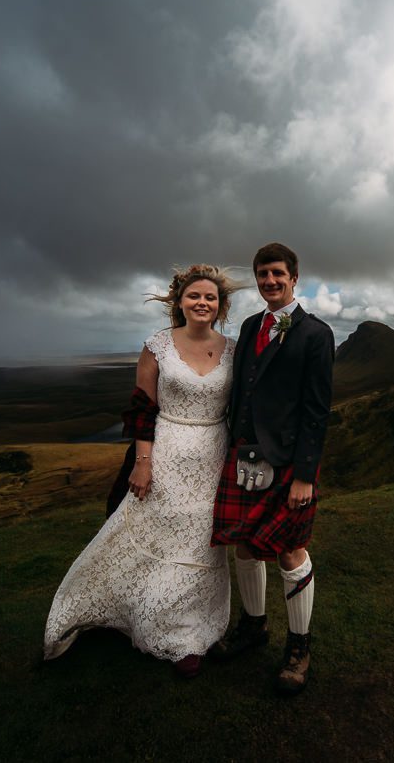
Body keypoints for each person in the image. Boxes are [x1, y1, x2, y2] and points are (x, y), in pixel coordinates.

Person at [44, 264, 239, 678]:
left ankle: (196, 628)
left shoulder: (234, 349)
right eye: (194, 296)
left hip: (213, 455)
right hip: (165, 453)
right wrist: (143, 462)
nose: (202, 303)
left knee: (204, 540)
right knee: (161, 532)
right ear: (179, 303)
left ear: (221, 306)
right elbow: (142, 409)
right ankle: (156, 623)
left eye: (210, 298)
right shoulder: (157, 347)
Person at [209, 242, 334, 694]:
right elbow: (243, 392)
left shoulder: (316, 334)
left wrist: (304, 473)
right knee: (243, 544)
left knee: (290, 551)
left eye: (278, 273)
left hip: (288, 464)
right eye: (263, 274)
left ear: (294, 277)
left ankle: (299, 647)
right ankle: (253, 627)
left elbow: (317, 410)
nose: (270, 281)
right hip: (245, 455)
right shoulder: (248, 326)